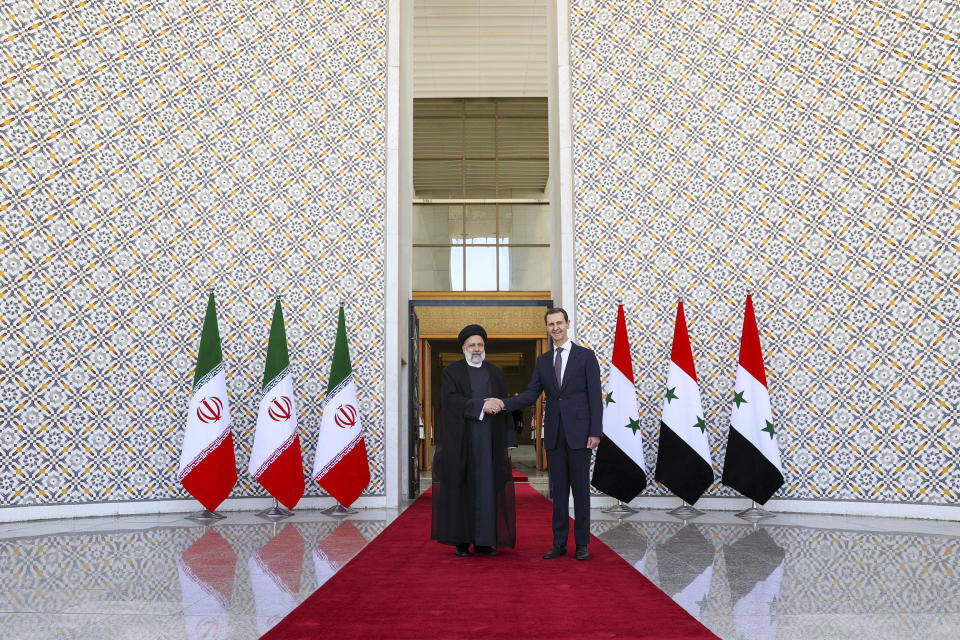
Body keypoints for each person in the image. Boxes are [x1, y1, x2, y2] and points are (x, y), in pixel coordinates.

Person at [488, 308, 601, 560]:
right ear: (547, 328)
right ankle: (559, 543)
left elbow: (595, 397)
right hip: (554, 434)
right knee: (558, 491)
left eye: (559, 323)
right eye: (551, 325)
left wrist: (595, 432)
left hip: (581, 435)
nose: (555, 328)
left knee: (581, 491)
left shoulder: (586, 357)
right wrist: (504, 403)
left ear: (567, 324)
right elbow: (530, 395)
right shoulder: (543, 361)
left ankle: (582, 543)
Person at [431, 324, 517, 557]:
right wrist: (481, 405)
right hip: (462, 444)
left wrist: (509, 442)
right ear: (464, 348)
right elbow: (451, 401)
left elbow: (505, 407)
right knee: (462, 490)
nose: (476, 349)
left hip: (491, 443)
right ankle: (462, 541)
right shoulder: (452, 372)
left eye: (480, 344)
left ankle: (484, 542)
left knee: (488, 490)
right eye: (472, 345)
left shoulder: (496, 373)